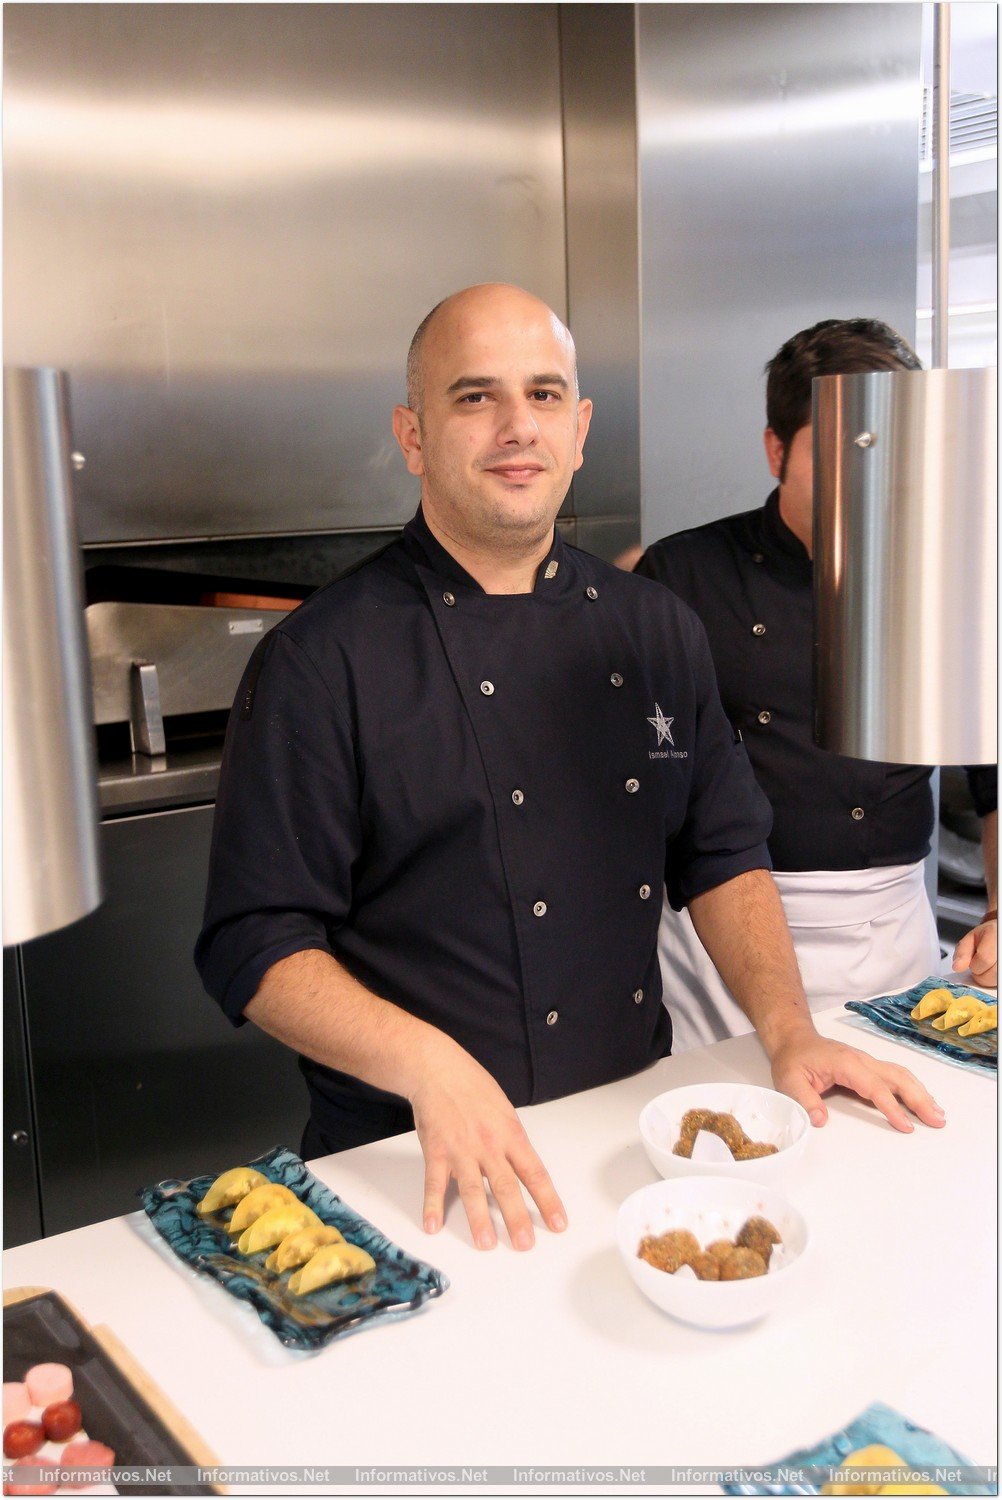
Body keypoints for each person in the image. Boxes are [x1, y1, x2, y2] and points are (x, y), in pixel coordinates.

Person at [196, 288, 944, 1253]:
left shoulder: (653, 627)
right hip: (411, 1160)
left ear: (580, 428)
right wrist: (428, 1063)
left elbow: (721, 853)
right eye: (475, 398)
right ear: (412, 434)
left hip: (630, 1131)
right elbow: (253, 940)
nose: (518, 428)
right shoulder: (320, 660)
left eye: (545, 396)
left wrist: (788, 1030)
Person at [635, 318, 998, 1052]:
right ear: (776, 450)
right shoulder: (683, 576)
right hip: (721, 950)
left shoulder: (953, 576)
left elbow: (991, 770)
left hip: (893, 929)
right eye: (844, 452)